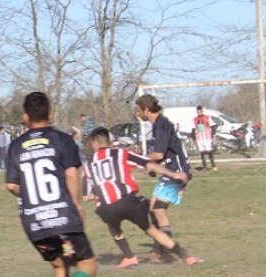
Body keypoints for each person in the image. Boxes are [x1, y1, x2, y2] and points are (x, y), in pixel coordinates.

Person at [5, 92, 97, 277]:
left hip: (34, 222)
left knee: (59, 266)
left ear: (25, 117)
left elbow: (11, 186)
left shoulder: (15, 146)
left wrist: (35, 198)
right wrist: (77, 204)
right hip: (62, 217)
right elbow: (71, 175)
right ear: (50, 114)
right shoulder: (62, 140)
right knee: (87, 265)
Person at [83, 127, 199, 268]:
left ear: (94, 143)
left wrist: (90, 197)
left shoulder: (88, 165)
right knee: (150, 230)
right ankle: (186, 257)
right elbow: (149, 165)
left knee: (113, 225)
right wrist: (173, 174)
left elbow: (86, 195)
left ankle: (130, 257)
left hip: (107, 209)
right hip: (129, 203)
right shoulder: (121, 154)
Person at [135, 94, 192, 264]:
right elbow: (164, 153)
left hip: (177, 171)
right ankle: (161, 249)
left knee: (159, 209)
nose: (137, 114)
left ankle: (167, 251)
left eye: (139, 110)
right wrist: (155, 166)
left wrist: (142, 159)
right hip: (170, 170)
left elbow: (158, 153)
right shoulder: (160, 124)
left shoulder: (160, 126)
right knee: (153, 209)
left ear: (146, 110)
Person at [192, 106, 217, 172]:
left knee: (209, 151)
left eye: (200, 112)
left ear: (202, 111)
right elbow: (193, 128)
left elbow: (213, 126)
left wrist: (214, 135)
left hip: (207, 137)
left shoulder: (207, 117)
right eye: (198, 112)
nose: (199, 113)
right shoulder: (195, 119)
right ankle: (205, 167)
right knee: (202, 152)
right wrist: (193, 136)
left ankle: (213, 165)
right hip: (199, 138)